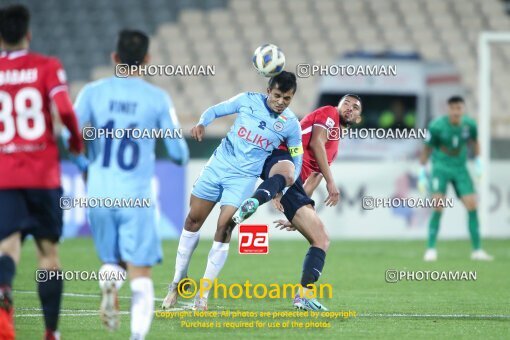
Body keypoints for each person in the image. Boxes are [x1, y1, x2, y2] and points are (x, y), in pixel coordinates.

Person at [74, 30, 189, 339]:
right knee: (141, 273)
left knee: (113, 260)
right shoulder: (156, 99)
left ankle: (108, 282)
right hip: (135, 197)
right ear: (148, 60)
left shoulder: (92, 92)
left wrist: (86, 165)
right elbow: (179, 153)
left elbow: (67, 134)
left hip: (98, 193)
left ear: (114, 58)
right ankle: (136, 337)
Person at [162, 71, 303, 311]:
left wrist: (285, 183)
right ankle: (177, 281)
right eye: (278, 95)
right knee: (193, 221)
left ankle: (203, 295)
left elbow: (296, 159)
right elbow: (215, 110)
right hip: (217, 167)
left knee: (226, 226)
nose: (281, 102)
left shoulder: (291, 124)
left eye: (287, 98)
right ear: (268, 91)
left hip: (243, 179)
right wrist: (202, 123)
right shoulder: (247, 100)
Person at [0, 5, 84, 340]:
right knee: (48, 255)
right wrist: (76, 142)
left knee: (7, 247)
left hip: (5, 177)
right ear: (28, 34)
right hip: (43, 176)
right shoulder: (47, 66)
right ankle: (51, 332)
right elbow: (64, 108)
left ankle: (4, 288)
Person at [240, 94, 362, 310]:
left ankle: (303, 296)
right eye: (346, 103)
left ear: (359, 118)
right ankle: (303, 296)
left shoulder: (335, 142)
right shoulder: (329, 114)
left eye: (355, 107)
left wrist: (298, 210)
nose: (349, 108)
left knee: (321, 239)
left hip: (293, 184)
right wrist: (332, 183)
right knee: (322, 239)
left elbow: (316, 175)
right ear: (338, 105)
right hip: (284, 164)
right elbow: (315, 144)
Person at [418, 96, 493, 261]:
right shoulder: (437, 126)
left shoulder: (470, 125)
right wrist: (422, 171)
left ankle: (477, 250)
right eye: (453, 108)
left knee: (472, 204)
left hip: (460, 167)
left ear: (463, 109)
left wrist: (479, 162)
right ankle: (430, 249)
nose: (456, 111)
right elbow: (426, 148)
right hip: (441, 166)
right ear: (448, 109)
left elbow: (475, 142)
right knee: (438, 205)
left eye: (459, 108)